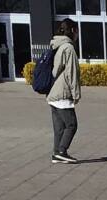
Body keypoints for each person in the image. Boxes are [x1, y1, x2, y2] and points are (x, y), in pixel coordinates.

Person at [47, 19, 82, 164]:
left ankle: (57, 153)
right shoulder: (68, 48)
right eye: (77, 31)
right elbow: (72, 73)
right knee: (72, 124)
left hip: (52, 93)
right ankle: (62, 151)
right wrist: (76, 94)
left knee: (59, 127)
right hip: (62, 93)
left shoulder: (56, 45)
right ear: (73, 31)